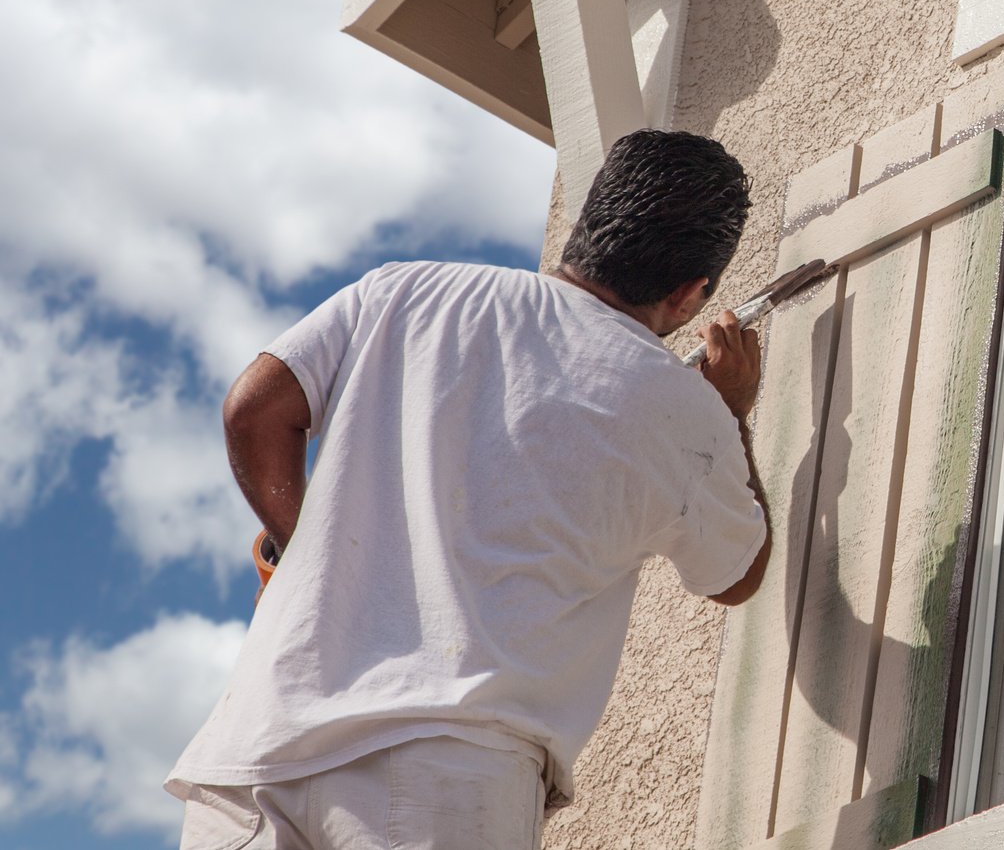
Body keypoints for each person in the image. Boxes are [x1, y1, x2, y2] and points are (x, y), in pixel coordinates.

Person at [167, 129, 772, 849]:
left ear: (588, 226)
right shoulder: (678, 406)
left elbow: (255, 409)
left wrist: (311, 556)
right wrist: (729, 412)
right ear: (691, 292)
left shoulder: (406, 290)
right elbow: (736, 574)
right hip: (446, 773)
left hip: (260, 745)